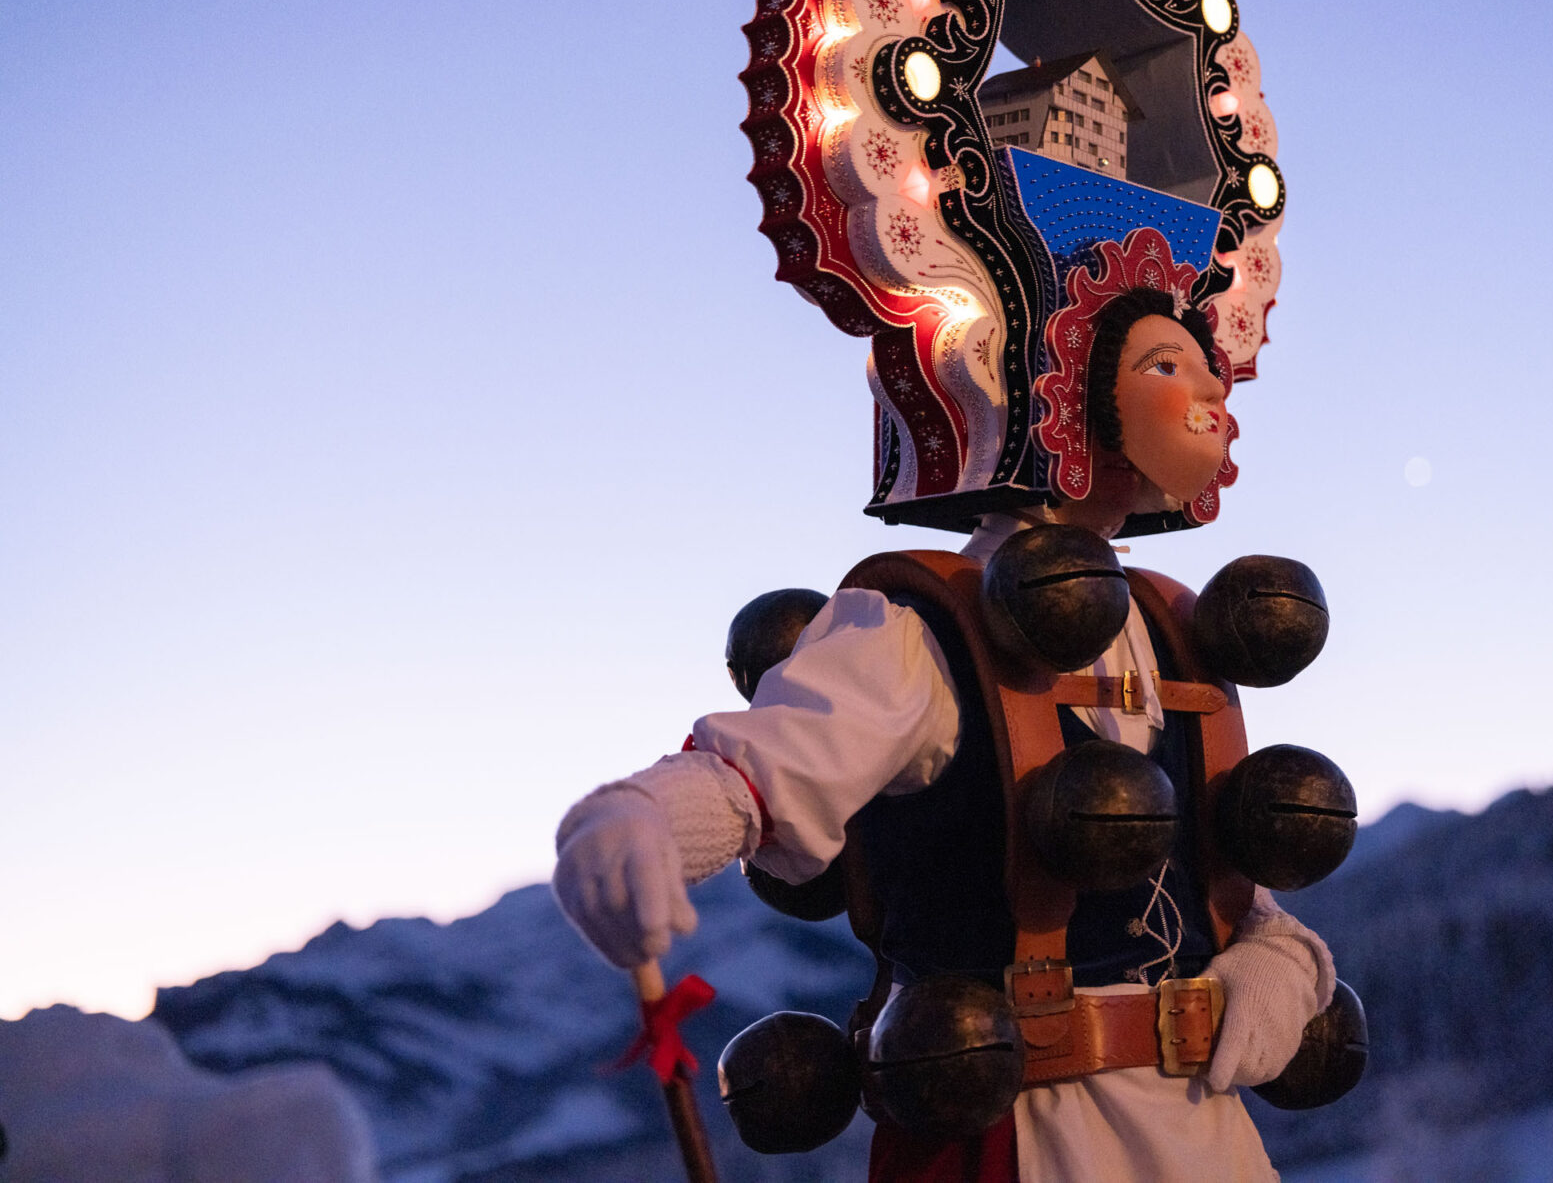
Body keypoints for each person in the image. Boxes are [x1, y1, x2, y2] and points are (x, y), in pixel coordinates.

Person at [554, 275, 1334, 1183]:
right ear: (1065, 396)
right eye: (1169, 364)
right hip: (1016, 1140)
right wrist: (635, 821)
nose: (1211, 392)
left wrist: (1280, 957)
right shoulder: (916, 631)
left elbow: (1209, 878)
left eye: (1208, 367)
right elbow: (756, 780)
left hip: (1201, 1138)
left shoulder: (1172, 628)